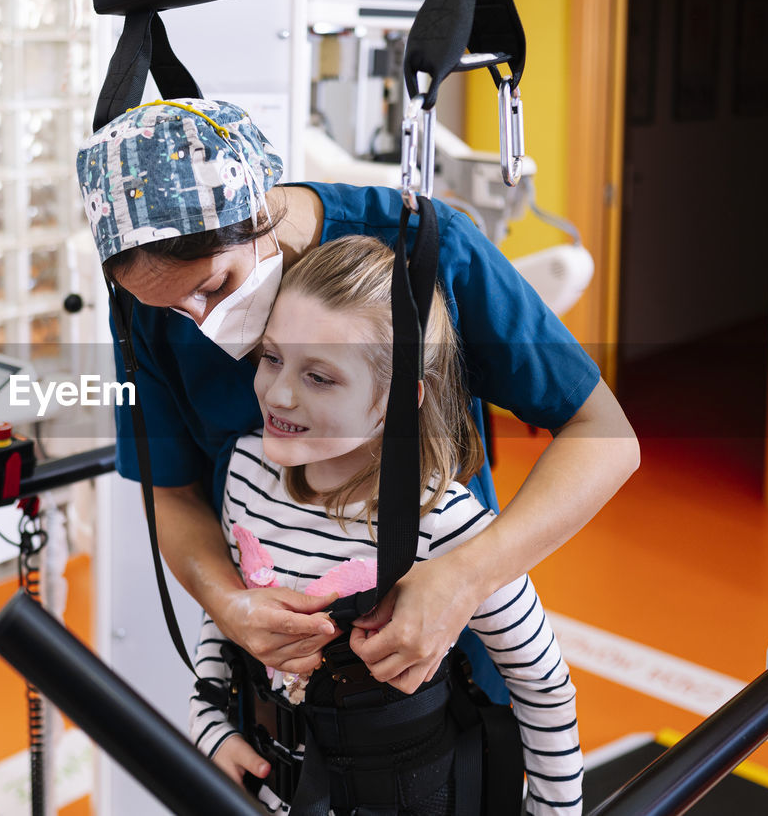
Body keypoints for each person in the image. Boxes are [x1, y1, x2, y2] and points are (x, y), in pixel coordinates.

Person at [75, 97, 639, 701]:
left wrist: (465, 577)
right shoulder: (150, 306)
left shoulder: (428, 251)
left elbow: (603, 435)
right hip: (278, 687)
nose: (200, 323)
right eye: (169, 308)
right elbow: (171, 493)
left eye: (214, 286)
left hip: (436, 672)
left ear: (260, 210)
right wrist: (230, 604)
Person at [188, 234, 581, 814]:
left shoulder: (445, 525)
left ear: (398, 400)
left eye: (319, 377)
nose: (278, 392)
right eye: (271, 358)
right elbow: (226, 615)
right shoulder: (247, 471)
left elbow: (543, 687)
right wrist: (208, 726)